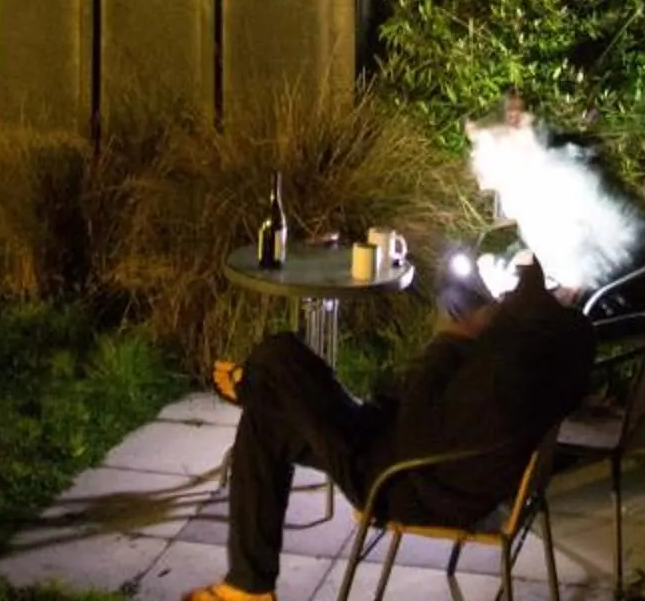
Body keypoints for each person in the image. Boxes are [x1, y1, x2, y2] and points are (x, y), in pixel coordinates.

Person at [186, 254, 596, 601]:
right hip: (410, 456)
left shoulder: (506, 369)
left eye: (506, 297)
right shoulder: (553, 345)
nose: (499, 299)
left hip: (402, 482)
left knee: (279, 355)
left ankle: (251, 386)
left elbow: (421, 428)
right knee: (268, 417)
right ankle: (248, 587)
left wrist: (450, 342)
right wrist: (469, 343)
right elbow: (439, 413)